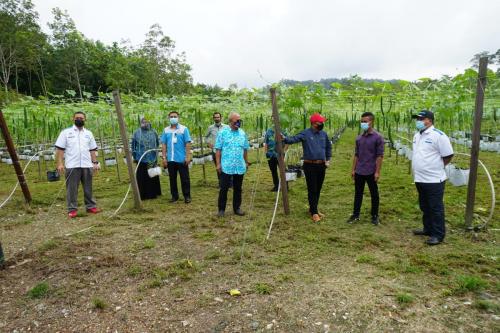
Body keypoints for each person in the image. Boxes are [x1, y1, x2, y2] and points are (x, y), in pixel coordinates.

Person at [411, 110, 454, 246]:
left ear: (429, 120)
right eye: (417, 119)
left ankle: (438, 234)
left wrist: (436, 167)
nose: (418, 121)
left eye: (420, 118)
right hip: (420, 178)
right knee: (425, 206)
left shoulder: (439, 136)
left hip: (434, 179)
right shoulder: (417, 135)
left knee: (436, 208)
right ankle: (428, 229)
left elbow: (448, 155)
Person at [283, 113, 332, 223]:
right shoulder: (306, 133)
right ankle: (314, 212)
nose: (322, 124)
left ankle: (313, 208)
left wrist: (328, 159)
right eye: (321, 122)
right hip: (310, 165)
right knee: (312, 188)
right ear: (314, 123)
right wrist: (284, 138)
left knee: (318, 188)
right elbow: (293, 139)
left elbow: (328, 147)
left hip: (321, 165)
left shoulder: (324, 134)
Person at [55, 111, 101, 218]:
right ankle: (72, 209)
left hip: (86, 164)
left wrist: (94, 162)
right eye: (77, 118)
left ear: (85, 120)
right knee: (72, 188)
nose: (79, 119)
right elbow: (60, 149)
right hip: (72, 165)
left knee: (88, 187)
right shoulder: (66, 133)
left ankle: (90, 206)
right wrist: (60, 163)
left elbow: (92, 149)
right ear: (73, 119)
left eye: (81, 118)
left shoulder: (88, 134)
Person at [347, 112, 384, 225]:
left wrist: (377, 172)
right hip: (359, 170)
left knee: (374, 194)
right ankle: (356, 214)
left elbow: (379, 156)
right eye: (362, 121)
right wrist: (353, 169)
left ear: (371, 122)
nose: (363, 123)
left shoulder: (378, 137)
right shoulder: (359, 138)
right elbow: (357, 155)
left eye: (365, 121)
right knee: (358, 193)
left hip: (371, 171)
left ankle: (374, 215)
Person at [215, 112, 250, 217]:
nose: (239, 122)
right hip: (226, 165)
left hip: (239, 165)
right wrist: (218, 164)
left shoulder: (242, 133)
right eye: (236, 121)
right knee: (224, 188)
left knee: (238, 188)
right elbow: (218, 150)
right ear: (230, 121)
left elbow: (245, 149)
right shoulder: (223, 133)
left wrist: (246, 162)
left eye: (240, 120)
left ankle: (237, 208)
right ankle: (221, 209)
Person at [161, 111, 192, 203]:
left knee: (185, 178)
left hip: (181, 158)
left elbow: (188, 143)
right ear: (169, 118)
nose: (173, 118)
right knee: (172, 179)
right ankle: (174, 196)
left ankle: (187, 196)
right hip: (170, 159)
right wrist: (164, 157)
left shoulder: (184, 129)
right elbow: (164, 144)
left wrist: (188, 156)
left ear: (178, 118)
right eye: (171, 116)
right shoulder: (166, 130)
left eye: (175, 116)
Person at [131, 117, 161, 200]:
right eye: (143, 122)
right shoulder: (136, 133)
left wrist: (156, 154)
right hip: (141, 158)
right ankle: (143, 195)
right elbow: (133, 146)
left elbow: (157, 143)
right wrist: (134, 156)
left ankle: (153, 193)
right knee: (142, 176)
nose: (145, 123)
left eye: (147, 122)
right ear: (140, 123)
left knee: (152, 175)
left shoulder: (154, 132)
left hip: (152, 157)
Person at [205, 112, 228, 186]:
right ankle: (221, 182)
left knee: (227, 166)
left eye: (218, 117)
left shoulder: (226, 127)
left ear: (221, 118)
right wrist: (209, 144)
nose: (217, 118)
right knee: (218, 166)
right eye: (215, 117)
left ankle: (229, 183)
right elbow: (206, 137)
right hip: (215, 151)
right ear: (213, 118)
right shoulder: (210, 128)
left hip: (225, 150)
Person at [264, 126, 287, 192]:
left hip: (280, 154)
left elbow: (287, 141)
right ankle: (276, 186)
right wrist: (266, 152)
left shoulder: (283, 130)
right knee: (273, 170)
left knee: (282, 170)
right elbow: (266, 142)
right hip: (270, 155)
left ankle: (285, 186)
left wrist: (284, 150)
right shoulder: (268, 131)